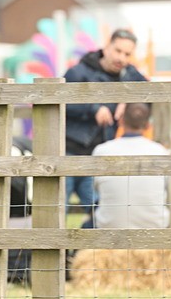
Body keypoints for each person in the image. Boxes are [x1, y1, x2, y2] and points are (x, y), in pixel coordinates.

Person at [63, 29, 148, 221]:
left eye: (127, 54)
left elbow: (150, 93)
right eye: (118, 51)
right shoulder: (78, 71)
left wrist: (129, 101)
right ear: (107, 47)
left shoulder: (130, 75)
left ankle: (82, 251)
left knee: (101, 213)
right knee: (57, 211)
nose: (121, 58)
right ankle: (64, 251)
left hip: (98, 156)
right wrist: (93, 108)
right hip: (67, 153)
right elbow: (59, 102)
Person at [90, 103, 170, 228]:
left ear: (121, 120)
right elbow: (166, 187)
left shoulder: (101, 151)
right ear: (148, 124)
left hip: (110, 229)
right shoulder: (161, 152)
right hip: (153, 229)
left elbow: (95, 188)